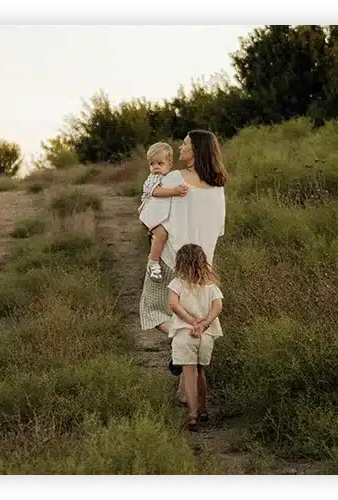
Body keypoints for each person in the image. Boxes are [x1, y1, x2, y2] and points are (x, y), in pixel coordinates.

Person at [137, 129, 228, 403]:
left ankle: (184, 334)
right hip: (201, 266)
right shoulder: (217, 186)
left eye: (185, 144)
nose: (180, 147)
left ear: (196, 150)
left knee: (152, 309)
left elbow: (149, 215)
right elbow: (219, 229)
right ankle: (188, 385)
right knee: (195, 313)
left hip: (171, 259)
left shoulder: (174, 179)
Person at [167, 243, 224, 431]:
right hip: (206, 335)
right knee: (200, 371)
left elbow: (174, 305)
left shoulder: (177, 284)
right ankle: (202, 408)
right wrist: (204, 324)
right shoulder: (211, 285)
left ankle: (192, 415)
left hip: (185, 333)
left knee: (189, 373)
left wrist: (192, 322)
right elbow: (217, 307)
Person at [137, 142, 189, 282]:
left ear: (169, 163)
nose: (155, 167)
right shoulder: (153, 178)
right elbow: (155, 192)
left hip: (158, 213)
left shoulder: (169, 177)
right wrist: (174, 191)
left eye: (160, 163)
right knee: (161, 234)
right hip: (148, 212)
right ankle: (153, 262)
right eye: (152, 164)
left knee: (165, 234)